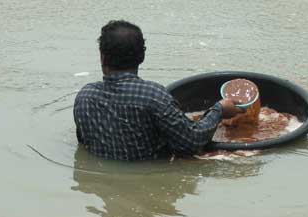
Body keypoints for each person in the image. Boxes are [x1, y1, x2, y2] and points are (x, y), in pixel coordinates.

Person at [73, 20, 241, 160]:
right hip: (148, 177)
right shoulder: (153, 96)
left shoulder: (84, 97)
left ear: (102, 57)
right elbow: (192, 141)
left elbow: (84, 142)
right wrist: (219, 110)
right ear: (142, 57)